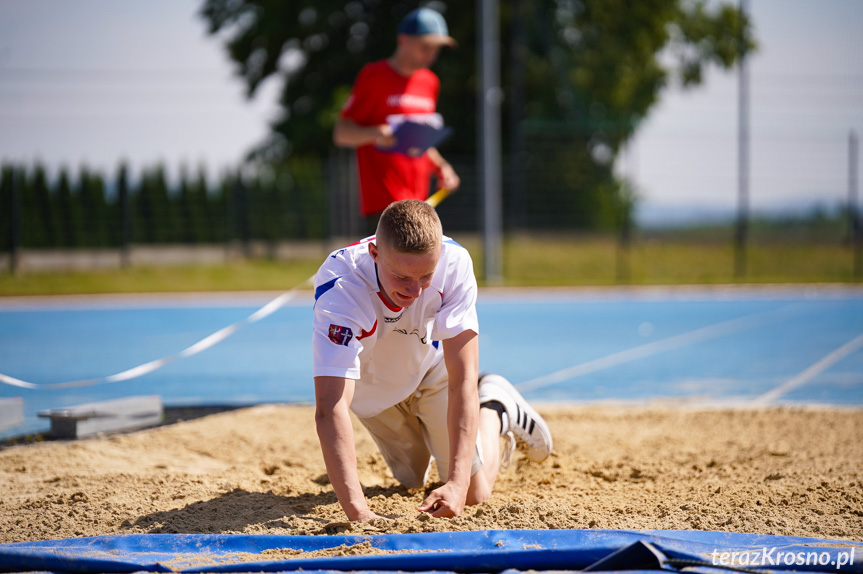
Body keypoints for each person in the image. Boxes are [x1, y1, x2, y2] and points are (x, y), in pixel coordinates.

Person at [312, 200, 552, 520]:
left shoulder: (454, 263)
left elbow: (463, 380)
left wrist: (456, 482)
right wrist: (359, 514)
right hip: (373, 394)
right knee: (411, 480)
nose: (414, 290)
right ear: (375, 254)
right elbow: (330, 407)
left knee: (473, 492)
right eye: (401, 277)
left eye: (426, 275)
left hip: (430, 371)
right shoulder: (341, 287)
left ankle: (495, 409)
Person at [332, 8, 461, 220]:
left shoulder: (430, 82)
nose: (431, 55)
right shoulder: (373, 76)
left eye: (436, 48)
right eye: (425, 46)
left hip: (420, 204)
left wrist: (442, 167)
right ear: (403, 40)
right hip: (384, 207)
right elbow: (341, 133)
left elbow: (419, 142)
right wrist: (377, 133)